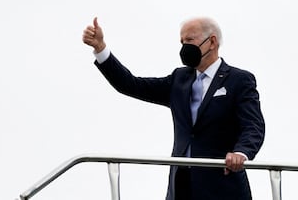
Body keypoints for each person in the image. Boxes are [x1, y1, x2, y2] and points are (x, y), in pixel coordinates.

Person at [83, 16, 265, 200]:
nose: (184, 47)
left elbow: (253, 126)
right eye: (181, 41)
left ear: (212, 42)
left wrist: (241, 153)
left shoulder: (239, 80)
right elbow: (130, 84)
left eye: (189, 40)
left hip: (222, 185)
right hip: (181, 186)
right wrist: (100, 49)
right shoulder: (179, 79)